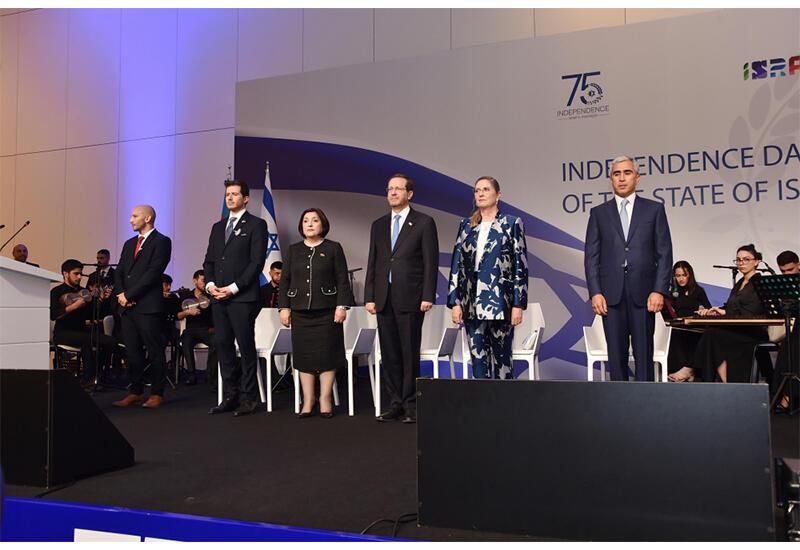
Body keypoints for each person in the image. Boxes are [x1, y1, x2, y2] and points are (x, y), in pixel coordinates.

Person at [584, 155, 673, 381]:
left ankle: (644, 401)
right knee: (616, 357)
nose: (622, 178)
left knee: (644, 357)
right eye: (616, 174)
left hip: (645, 294)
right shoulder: (599, 213)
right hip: (610, 296)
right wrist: (595, 292)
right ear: (611, 179)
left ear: (637, 177)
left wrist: (659, 290)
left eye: (627, 173)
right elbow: (591, 257)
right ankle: (619, 402)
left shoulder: (654, 210)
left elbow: (664, 253)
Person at [365, 173, 439, 424]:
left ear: (410, 194)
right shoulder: (378, 225)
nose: (393, 193)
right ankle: (395, 403)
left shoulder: (424, 222)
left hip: (411, 297)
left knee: (409, 353)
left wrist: (427, 294)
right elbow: (373, 262)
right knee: (390, 354)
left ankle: (411, 405)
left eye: (398, 188)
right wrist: (370, 296)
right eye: (390, 189)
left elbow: (430, 262)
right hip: (383, 298)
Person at [448, 176, 528, 379]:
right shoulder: (466, 225)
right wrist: (455, 302)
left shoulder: (511, 223)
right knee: (478, 362)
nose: (480, 194)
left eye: (485, 189)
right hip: (471, 303)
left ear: (498, 195)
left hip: (500, 302)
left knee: (502, 361)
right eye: (477, 190)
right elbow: (456, 265)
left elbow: (520, 265)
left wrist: (518, 304)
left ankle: (503, 399)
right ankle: (480, 400)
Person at [278, 208, 353, 418]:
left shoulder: (333, 248)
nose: (310, 224)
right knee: (304, 357)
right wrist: (284, 307)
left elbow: (342, 280)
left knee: (328, 355)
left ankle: (325, 398)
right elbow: (285, 281)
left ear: (323, 224)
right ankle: (308, 399)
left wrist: (341, 306)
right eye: (305, 221)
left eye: (314, 220)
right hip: (300, 312)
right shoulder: (293, 250)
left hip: (328, 312)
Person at [204, 180, 267, 417]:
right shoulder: (217, 227)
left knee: (245, 346)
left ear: (246, 199)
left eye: (234, 194)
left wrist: (232, 288)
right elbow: (209, 260)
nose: (229, 198)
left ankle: (249, 397)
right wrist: (210, 285)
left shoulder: (256, 224)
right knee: (223, 345)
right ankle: (231, 395)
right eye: (227, 194)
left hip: (242, 298)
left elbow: (256, 263)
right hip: (218, 297)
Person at [111, 205, 172, 409]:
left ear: (147, 218)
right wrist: (121, 295)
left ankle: (156, 393)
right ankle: (135, 391)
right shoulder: (129, 243)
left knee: (154, 351)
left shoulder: (162, 241)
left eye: (135, 216)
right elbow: (119, 271)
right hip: (127, 307)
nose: (131, 219)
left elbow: (153, 273)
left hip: (148, 307)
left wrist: (130, 295)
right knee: (132, 352)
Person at [689, 244, 769, 383]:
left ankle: (692, 370)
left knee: (713, 334)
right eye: (738, 260)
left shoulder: (760, 283)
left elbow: (753, 310)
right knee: (711, 333)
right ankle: (721, 382)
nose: (741, 263)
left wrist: (725, 312)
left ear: (756, 261)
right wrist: (715, 311)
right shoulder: (739, 283)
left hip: (752, 331)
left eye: (746, 259)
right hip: (737, 329)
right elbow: (730, 306)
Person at [50, 259, 115, 391]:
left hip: (81, 330)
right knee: (87, 341)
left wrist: (100, 300)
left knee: (110, 341)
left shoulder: (83, 291)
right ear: (65, 273)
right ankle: (87, 380)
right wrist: (74, 306)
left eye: (81, 274)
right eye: (76, 274)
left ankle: (99, 374)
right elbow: (53, 315)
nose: (80, 277)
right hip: (63, 332)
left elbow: (91, 314)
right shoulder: (56, 291)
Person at [664, 261, 712, 381]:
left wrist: (703, 311)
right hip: (678, 325)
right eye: (678, 275)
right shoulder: (671, 292)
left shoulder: (698, 290)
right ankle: (675, 370)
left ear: (689, 275)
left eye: (684, 275)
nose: (681, 279)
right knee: (673, 334)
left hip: (694, 326)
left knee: (687, 335)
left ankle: (688, 370)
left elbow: (709, 309)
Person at [177, 270, 217, 386]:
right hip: (190, 330)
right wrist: (188, 312)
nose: (205, 283)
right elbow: (178, 316)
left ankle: (210, 375)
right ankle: (191, 375)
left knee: (217, 341)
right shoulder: (186, 296)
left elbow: (217, 315)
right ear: (195, 281)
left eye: (206, 281)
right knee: (186, 341)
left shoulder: (210, 296)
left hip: (206, 330)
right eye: (203, 281)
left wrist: (214, 328)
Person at [772, 250, 799, 410]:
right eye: (783, 271)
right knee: (788, 346)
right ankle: (784, 394)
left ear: (798, 265)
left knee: (794, 344)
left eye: (790, 270)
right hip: (796, 326)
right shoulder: (784, 284)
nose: (787, 274)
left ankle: (788, 396)